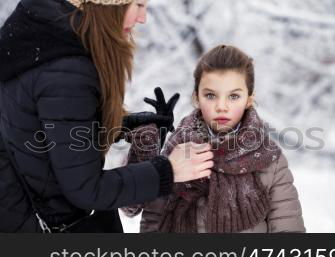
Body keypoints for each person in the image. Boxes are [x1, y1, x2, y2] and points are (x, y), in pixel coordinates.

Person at [0, 0, 214, 233]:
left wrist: (120, 126)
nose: (143, 18)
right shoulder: (66, 72)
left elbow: (39, 135)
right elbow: (88, 190)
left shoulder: (36, 39)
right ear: (108, 5)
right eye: (138, 5)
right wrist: (169, 170)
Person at [124, 45, 306, 233]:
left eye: (234, 96)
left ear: (249, 100)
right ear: (197, 98)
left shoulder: (268, 160)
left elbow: (288, 230)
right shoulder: (178, 152)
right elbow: (146, 217)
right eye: (210, 95)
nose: (221, 106)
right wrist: (146, 150)